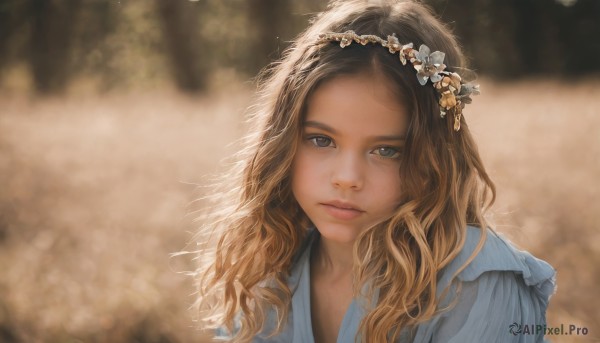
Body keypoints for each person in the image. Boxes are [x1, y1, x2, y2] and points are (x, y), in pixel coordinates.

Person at [193, 0, 556, 342]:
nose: (347, 177)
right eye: (321, 140)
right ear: (281, 140)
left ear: (434, 160)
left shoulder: (474, 286)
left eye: (386, 151)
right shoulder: (269, 269)